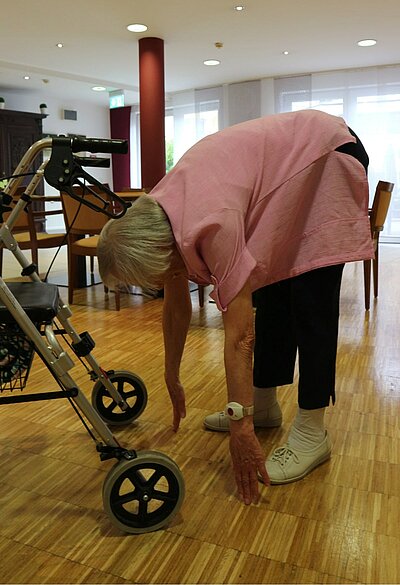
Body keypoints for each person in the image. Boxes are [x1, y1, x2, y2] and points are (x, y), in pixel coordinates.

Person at [98, 109, 374, 506]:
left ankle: (313, 432)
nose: (156, 285)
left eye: (151, 278)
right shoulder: (161, 216)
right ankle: (263, 406)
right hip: (286, 171)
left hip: (326, 153)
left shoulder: (212, 223)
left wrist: (239, 428)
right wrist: (171, 376)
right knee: (271, 289)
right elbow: (175, 306)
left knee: (310, 298)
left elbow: (240, 337)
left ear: (159, 253)